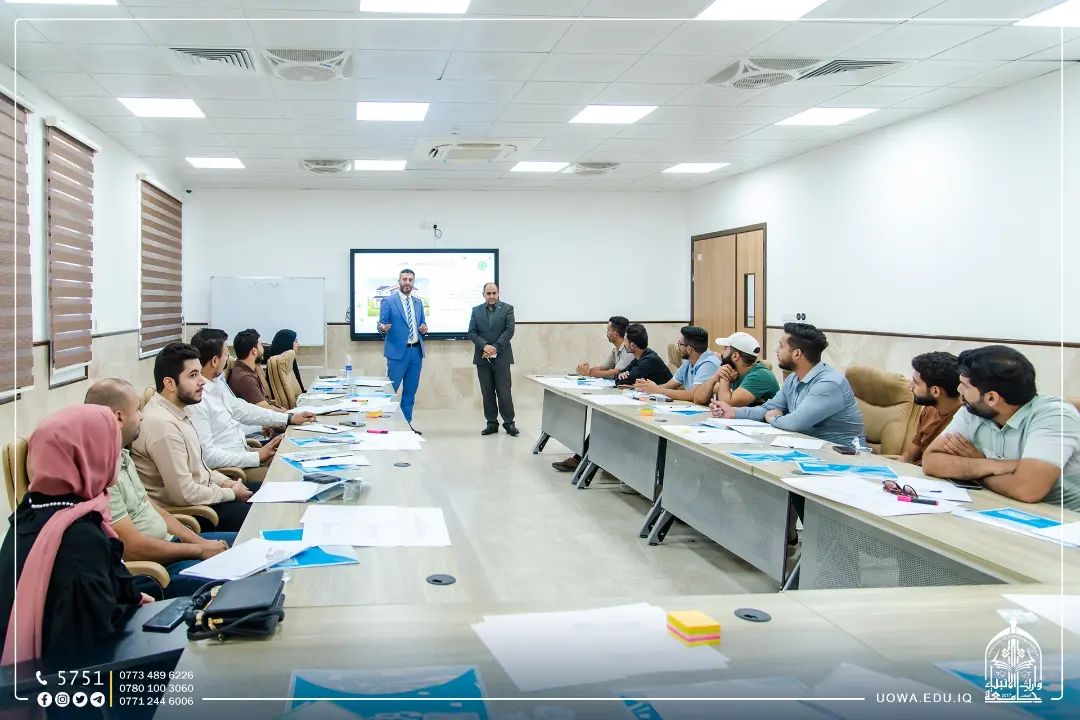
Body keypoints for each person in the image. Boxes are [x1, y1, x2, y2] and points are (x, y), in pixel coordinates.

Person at [0, 405, 152, 668]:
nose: (116, 454)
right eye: (112, 446)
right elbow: (90, 650)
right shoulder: (80, 539)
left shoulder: (30, 513)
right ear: (90, 455)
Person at [84, 378, 238, 598]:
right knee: (242, 576)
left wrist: (201, 542)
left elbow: (153, 509)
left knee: (251, 543)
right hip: (156, 571)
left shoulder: (122, 455)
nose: (142, 416)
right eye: (137, 409)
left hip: (171, 546)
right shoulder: (102, 474)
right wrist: (198, 549)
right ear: (118, 417)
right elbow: (133, 548)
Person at [923, 345, 1080, 511]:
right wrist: (992, 465)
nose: (959, 390)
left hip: (1063, 517)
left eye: (965, 386)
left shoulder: (1055, 417)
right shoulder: (974, 409)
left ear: (991, 398)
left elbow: (1026, 490)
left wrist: (975, 470)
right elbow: (931, 461)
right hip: (1003, 506)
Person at [131, 342, 256, 533]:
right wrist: (230, 492)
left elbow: (199, 468)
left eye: (200, 373)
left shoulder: (179, 410)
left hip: (207, 496)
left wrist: (226, 482)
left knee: (268, 493)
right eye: (193, 375)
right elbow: (184, 494)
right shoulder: (163, 426)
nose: (202, 381)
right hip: (193, 513)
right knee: (263, 515)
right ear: (169, 383)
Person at [189, 329, 314, 481]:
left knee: (300, 461)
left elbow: (245, 410)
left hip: (244, 454)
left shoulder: (216, 384)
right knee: (291, 477)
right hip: (232, 471)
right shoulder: (197, 398)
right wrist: (256, 456)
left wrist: (288, 418)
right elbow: (208, 457)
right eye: (226, 354)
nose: (229, 358)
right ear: (215, 361)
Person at [711, 323, 865, 446]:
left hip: (842, 457)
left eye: (781, 346)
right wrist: (733, 412)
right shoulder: (793, 379)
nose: (776, 350)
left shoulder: (829, 384)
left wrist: (773, 418)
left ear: (797, 354)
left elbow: (795, 422)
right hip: (808, 448)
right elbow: (768, 408)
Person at [553, 316, 633, 472]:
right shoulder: (615, 350)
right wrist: (587, 370)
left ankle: (581, 459)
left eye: (608, 329)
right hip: (617, 394)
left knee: (604, 423)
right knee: (601, 422)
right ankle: (581, 457)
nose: (606, 332)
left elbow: (614, 373)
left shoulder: (628, 351)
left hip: (627, 398)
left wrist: (589, 372)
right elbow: (603, 368)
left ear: (615, 333)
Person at [378, 268, 429, 433]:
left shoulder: (418, 302)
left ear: (413, 282)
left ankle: (406, 426)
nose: (407, 282)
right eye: (404, 279)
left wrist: (424, 328)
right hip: (397, 353)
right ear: (399, 281)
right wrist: (383, 329)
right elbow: (381, 325)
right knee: (390, 392)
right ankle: (385, 426)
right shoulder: (388, 301)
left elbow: (422, 324)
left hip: (416, 352)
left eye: (410, 280)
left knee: (410, 392)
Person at [467, 282, 518, 437]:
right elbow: (472, 332)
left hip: (502, 357)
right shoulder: (476, 310)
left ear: (498, 293)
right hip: (483, 359)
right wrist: (484, 346)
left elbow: (509, 330)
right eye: (488, 293)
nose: (491, 296)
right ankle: (491, 423)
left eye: (494, 293)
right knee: (487, 392)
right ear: (483, 295)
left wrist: (495, 347)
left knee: (504, 392)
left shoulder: (508, 309)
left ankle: (509, 423)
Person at [898, 351, 963, 466]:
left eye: (916, 382)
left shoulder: (965, 420)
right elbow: (909, 457)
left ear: (935, 391)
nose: (909, 386)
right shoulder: (929, 410)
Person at [693, 332, 779, 408]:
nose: (721, 352)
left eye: (725, 348)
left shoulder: (759, 375)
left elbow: (726, 404)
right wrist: (714, 378)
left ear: (735, 356)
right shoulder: (735, 373)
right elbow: (698, 399)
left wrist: (724, 378)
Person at [635, 325, 720, 401]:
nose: (678, 347)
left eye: (680, 344)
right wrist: (647, 387)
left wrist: (656, 390)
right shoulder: (688, 361)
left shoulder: (709, 364)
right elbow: (669, 385)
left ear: (689, 349)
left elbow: (693, 395)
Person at [229, 328, 283, 410]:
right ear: (254, 351)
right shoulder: (245, 378)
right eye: (261, 345)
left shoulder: (245, 370)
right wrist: (289, 414)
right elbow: (265, 409)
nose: (263, 348)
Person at [615, 323, 674, 388]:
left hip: (664, 393)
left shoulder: (649, 360)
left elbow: (620, 382)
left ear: (632, 345)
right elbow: (618, 376)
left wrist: (621, 377)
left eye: (625, 341)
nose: (623, 344)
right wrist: (621, 374)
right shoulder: (640, 356)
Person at [265, 328, 306, 394]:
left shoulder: (289, 360)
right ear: (288, 344)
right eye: (295, 341)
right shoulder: (278, 364)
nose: (298, 344)